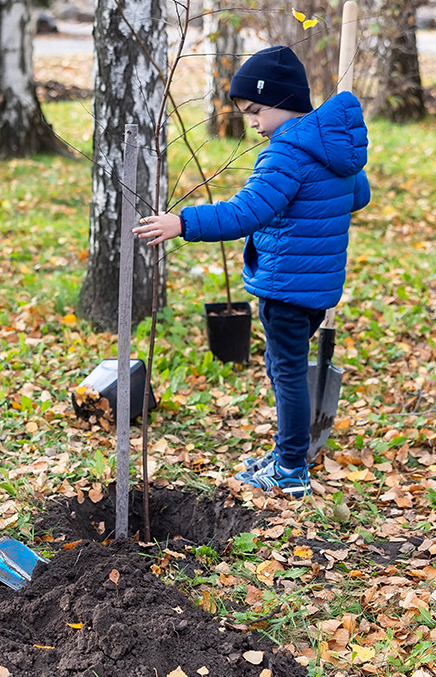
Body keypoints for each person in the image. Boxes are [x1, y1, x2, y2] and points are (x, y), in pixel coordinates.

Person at [133, 45, 370, 498]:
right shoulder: (337, 151)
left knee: (287, 372)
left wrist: (181, 223)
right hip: (315, 287)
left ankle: (291, 468)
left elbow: (247, 212)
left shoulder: (288, 154)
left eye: (257, 111)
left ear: (284, 101)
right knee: (286, 369)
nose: (253, 123)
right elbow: (357, 196)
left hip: (286, 285)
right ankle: (289, 453)